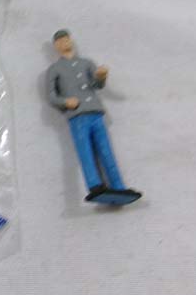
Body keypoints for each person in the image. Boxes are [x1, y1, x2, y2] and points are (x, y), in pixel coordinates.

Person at [46, 29, 142, 205]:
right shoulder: (55, 69)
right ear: (55, 46)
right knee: (85, 151)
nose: (64, 43)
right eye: (60, 41)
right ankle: (94, 185)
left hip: (95, 111)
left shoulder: (86, 63)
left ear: (71, 40)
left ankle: (119, 185)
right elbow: (51, 96)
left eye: (66, 39)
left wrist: (101, 77)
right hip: (77, 115)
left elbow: (97, 85)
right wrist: (65, 101)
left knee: (106, 150)